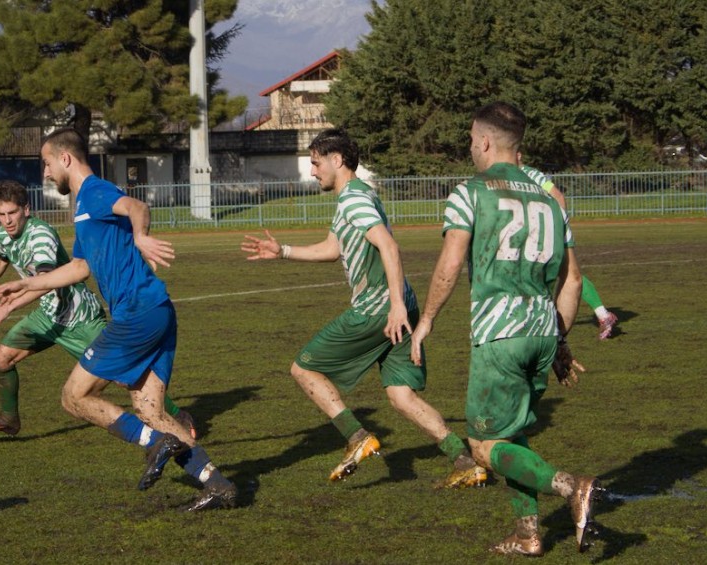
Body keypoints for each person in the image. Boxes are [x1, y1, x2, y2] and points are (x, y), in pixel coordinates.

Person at [0, 129, 235, 511]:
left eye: (47, 162)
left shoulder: (94, 191)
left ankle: (153, 443)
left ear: (65, 159)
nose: (46, 172)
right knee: (151, 409)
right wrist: (26, 286)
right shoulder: (83, 208)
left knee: (75, 397)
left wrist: (140, 236)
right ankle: (216, 483)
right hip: (157, 312)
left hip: (137, 314)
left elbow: (137, 207)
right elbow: (79, 267)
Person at [240, 128, 487, 489]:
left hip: (380, 308)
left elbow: (388, 246)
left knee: (303, 369)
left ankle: (356, 437)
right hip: (399, 305)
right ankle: (463, 460)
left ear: (337, 160)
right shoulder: (357, 197)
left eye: (315, 163)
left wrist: (396, 307)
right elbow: (332, 247)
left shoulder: (354, 200)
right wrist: (284, 252)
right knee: (401, 396)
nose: (312, 171)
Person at [410, 102, 599, 556]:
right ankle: (528, 532)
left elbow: (451, 263)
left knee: (483, 445)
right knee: (512, 433)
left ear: (486, 141)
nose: (470, 146)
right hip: (542, 330)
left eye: (472, 139)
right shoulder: (552, 203)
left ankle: (572, 486)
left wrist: (427, 320)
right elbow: (571, 280)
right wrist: (561, 343)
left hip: (501, 334)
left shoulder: (470, 192)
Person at [0, 179, 194, 438]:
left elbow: (47, 282)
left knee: (124, 376)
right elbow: (1, 257)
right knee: (0, 358)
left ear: (26, 210)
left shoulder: (40, 236)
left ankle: (177, 416)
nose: (7, 220)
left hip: (79, 317)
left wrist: (9, 307)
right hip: (47, 316)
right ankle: (9, 418)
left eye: (12, 213)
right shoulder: (2, 234)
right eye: (1, 214)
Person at [519, 163, 619, 339]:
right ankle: (602, 315)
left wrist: (558, 228)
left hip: (545, 233)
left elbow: (558, 196)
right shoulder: (510, 174)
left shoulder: (529, 173)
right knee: (562, 274)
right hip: (531, 234)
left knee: (565, 274)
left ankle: (603, 315)